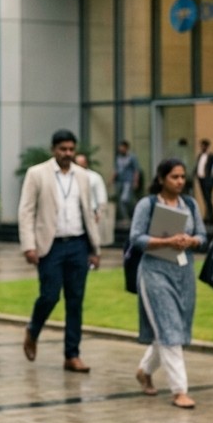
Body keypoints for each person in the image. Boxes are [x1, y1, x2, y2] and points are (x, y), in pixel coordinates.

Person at [18, 130, 101, 372]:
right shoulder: (37, 174)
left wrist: (94, 248)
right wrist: (29, 245)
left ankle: (72, 355)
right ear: (53, 149)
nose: (67, 154)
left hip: (78, 244)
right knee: (50, 295)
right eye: (63, 149)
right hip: (50, 245)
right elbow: (26, 211)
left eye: (71, 150)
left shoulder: (83, 176)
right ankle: (33, 330)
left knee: (75, 301)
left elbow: (88, 212)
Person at [129, 158, 207, 409]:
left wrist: (190, 241)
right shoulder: (147, 204)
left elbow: (203, 236)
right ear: (161, 178)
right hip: (154, 272)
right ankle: (179, 390)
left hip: (183, 273)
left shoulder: (191, 204)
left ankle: (144, 370)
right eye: (174, 177)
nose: (180, 181)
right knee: (169, 326)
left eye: (183, 177)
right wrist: (166, 242)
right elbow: (136, 238)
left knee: (175, 329)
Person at [111, 140, 141, 222]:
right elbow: (116, 170)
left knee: (125, 200)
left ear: (126, 147)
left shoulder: (132, 157)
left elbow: (136, 170)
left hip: (128, 181)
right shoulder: (118, 158)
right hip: (120, 182)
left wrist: (135, 181)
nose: (120, 149)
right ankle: (126, 217)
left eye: (122, 147)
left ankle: (128, 217)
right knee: (121, 200)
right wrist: (111, 180)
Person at [74, 153, 108, 224]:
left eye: (81, 163)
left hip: (91, 212)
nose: (79, 165)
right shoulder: (71, 177)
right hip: (75, 213)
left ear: (86, 163)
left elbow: (101, 196)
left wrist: (99, 212)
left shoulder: (95, 177)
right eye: (77, 163)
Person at [193, 139, 213, 225]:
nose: (202, 147)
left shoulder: (211, 156)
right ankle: (207, 216)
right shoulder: (200, 155)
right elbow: (198, 166)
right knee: (205, 198)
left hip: (208, 180)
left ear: (207, 146)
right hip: (201, 179)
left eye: (203, 145)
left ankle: (211, 217)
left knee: (208, 198)